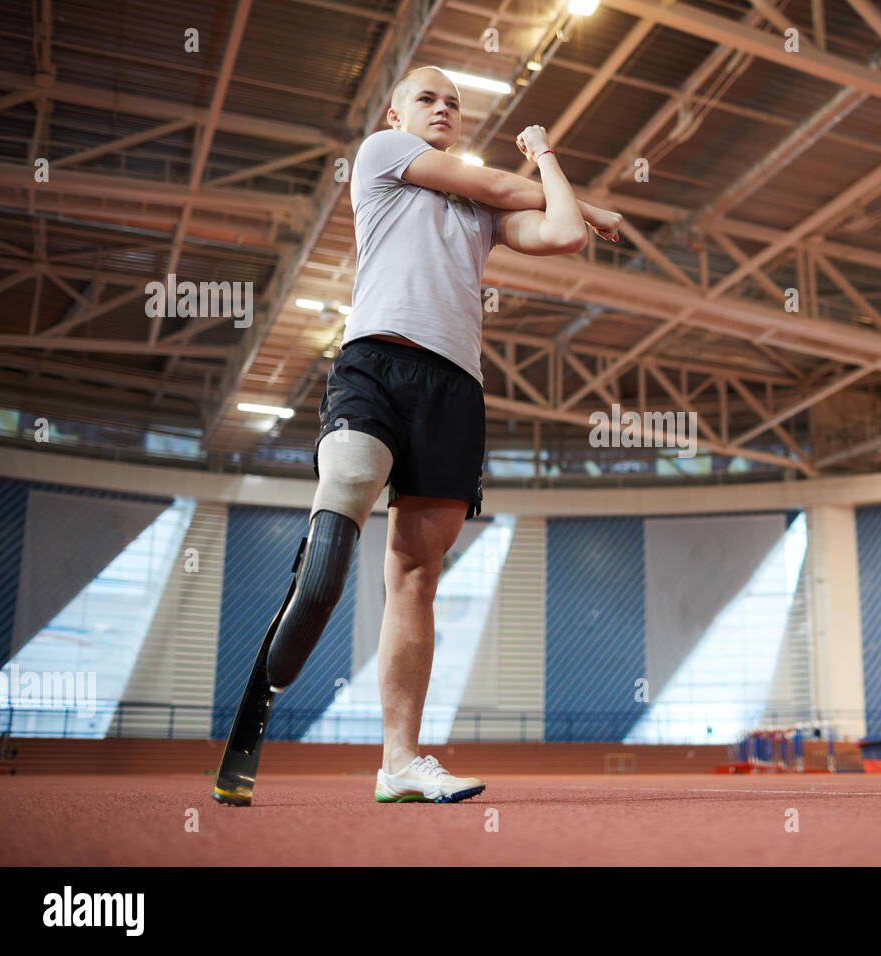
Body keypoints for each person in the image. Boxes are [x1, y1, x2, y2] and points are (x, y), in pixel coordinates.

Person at [262, 65, 623, 803]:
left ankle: (399, 762)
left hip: (455, 389)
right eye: (428, 99)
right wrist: (585, 200)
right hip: (379, 357)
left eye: (454, 104)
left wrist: (547, 156)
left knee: (416, 578)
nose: (443, 109)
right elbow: (508, 190)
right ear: (397, 115)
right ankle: (322, 556)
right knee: (355, 478)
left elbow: (559, 234)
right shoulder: (381, 155)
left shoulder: (479, 212)